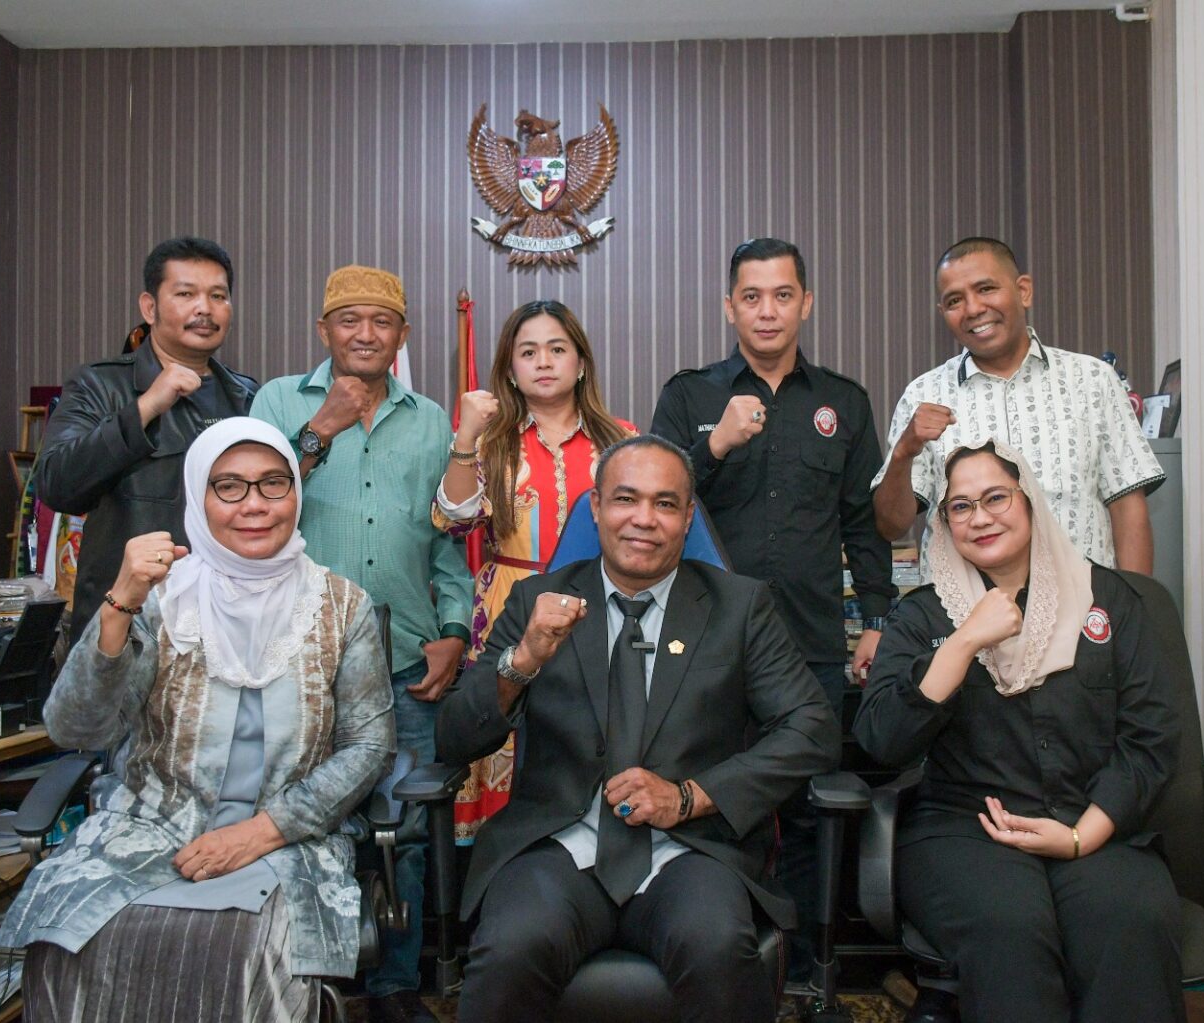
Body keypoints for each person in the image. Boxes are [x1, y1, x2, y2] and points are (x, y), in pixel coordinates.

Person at [0, 418, 396, 1021]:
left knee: (243, 949)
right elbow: (77, 730)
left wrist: (263, 831)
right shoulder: (162, 599)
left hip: (286, 839)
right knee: (72, 941)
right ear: (197, 497)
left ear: (296, 493)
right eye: (228, 486)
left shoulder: (342, 607)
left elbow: (369, 747)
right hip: (150, 828)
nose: (254, 504)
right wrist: (120, 603)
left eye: (273, 483)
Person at [438, 435, 840, 1023]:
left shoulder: (740, 607)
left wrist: (689, 797)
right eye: (626, 499)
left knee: (716, 949)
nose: (644, 519)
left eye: (665, 503)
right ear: (597, 507)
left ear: (688, 518)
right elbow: (454, 738)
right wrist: (521, 662)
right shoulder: (536, 600)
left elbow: (812, 729)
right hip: (559, 846)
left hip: (691, 852)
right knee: (510, 949)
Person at [853, 438, 1184, 1023]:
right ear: (945, 522)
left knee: (1129, 920)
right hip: (967, 831)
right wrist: (962, 643)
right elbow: (882, 741)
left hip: (1093, 820)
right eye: (960, 506)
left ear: (1028, 500)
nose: (979, 517)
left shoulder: (1109, 599)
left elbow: (1149, 738)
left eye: (996, 498)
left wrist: (1079, 837)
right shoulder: (924, 615)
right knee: (1010, 928)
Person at [648, 236, 893, 980]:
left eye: (782, 295)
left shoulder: (843, 401)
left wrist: (876, 620)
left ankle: (806, 965)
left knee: (810, 802)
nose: (767, 311)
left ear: (805, 303)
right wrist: (714, 447)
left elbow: (863, 523)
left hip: (811, 640)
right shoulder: (690, 396)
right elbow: (651, 506)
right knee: (712, 796)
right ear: (730, 306)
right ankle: (721, 954)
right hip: (706, 644)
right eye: (751, 297)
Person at [249, 263, 471, 1022]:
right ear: (324, 330)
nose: (366, 334)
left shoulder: (431, 421)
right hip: (299, 662)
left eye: (382, 321)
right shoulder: (278, 402)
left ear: (403, 334)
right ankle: (313, 983)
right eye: (350, 320)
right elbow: (253, 504)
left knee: (403, 831)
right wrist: (322, 427)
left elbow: (443, 544)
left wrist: (452, 630)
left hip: (406, 660)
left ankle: (395, 987)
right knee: (305, 820)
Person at [434, 299, 637, 841]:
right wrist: (465, 437)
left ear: (581, 363)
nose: (543, 362)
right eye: (528, 352)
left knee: (591, 727)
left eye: (556, 349)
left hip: (600, 605)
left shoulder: (620, 438)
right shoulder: (492, 440)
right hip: (509, 605)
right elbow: (454, 520)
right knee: (505, 724)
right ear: (510, 370)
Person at [871, 237, 1163, 577]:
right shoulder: (923, 394)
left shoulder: (1093, 380)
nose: (973, 309)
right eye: (954, 300)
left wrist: (1137, 604)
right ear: (942, 313)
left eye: (986, 289)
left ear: (1023, 290)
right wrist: (904, 452)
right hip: (964, 609)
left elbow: (1128, 509)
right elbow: (890, 526)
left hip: (1084, 603)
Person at [34, 236, 257, 640]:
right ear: (149, 307)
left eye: (218, 296)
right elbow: (57, 485)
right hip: (129, 627)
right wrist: (147, 406)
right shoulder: (100, 384)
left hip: (227, 625)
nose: (204, 308)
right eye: (186, 294)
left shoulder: (248, 396)